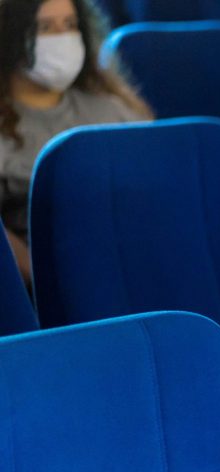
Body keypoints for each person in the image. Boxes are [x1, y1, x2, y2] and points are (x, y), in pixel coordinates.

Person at [0, 0, 151, 282]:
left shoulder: (115, 110)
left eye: (70, 25)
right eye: (44, 27)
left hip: (136, 261)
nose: (61, 37)